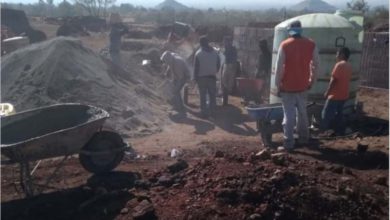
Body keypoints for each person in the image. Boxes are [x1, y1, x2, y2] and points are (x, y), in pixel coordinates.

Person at [274, 20, 320, 151]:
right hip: (303, 86)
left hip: (287, 87)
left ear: (290, 31)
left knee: (288, 115)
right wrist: (312, 81)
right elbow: (317, 65)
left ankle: (288, 143)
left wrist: (278, 85)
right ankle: (304, 139)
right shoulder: (311, 44)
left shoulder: (285, 45)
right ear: (301, 29)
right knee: (303, 113)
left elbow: (278, 68)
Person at [320, 47, 352, 136]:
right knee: (339, 115)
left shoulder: (339, 65)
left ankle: (324, 132)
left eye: (337, 53)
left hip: (335, 95)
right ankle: (340, 131)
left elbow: (333, 80)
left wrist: (327, 92)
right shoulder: (349, 65)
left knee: (326, 114)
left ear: (342, 54)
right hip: (344, 95)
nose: (336, 55)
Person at [193, 36, 221, 118]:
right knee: (212, 96)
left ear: (201, 44)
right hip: (212, 77)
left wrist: (195, 78)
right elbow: (218, 65)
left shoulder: (198, 54)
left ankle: (204, 113)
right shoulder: (215, 53)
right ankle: (213, 112)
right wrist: (214, 71)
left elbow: (196, 67)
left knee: (203, 96)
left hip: (201, 78)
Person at [221, 36, 238, 106]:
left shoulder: (230, 48)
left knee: (225, 82)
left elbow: (226, 56)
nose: (224, 43)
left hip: (229, 66)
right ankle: (225, 99)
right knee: (226, 83)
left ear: (228, 42)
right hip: (229, 66)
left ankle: (225, 99)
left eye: (225, 42)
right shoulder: (232, 48)